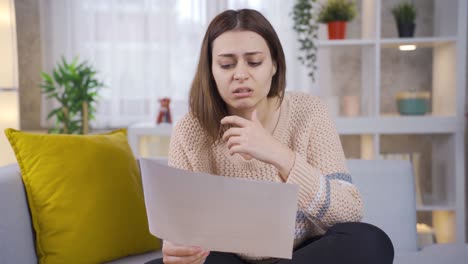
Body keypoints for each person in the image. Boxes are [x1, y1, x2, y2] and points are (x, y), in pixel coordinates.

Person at [146, 8, 394, 264]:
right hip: (227, 258)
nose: (240, 74)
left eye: (254, 62)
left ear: (274, 64)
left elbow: (349, 213)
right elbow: (181, 228)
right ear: (210, 70)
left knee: (370, 241)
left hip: (300, 254)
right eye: (226, 64)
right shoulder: (191, 129)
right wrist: (178, 249)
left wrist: (279, 155)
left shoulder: (309, 112)